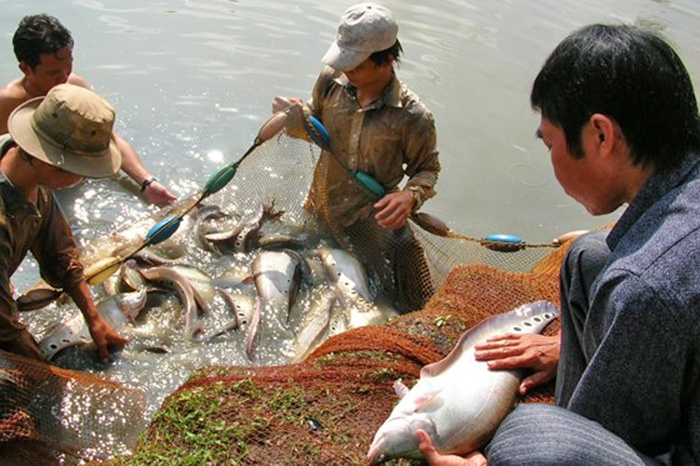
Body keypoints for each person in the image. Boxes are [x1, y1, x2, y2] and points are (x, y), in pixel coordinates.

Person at [416, 23, 700, 465]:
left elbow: (654, 285)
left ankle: (576, 433)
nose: (551, 158)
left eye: (550, 142)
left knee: (531, 440)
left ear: (601, 136)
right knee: (587, 256)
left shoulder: (644, 286)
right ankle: (584, 418)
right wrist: (570, 344)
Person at [273, 3, 441, 313]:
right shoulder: (331, 81)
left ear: (388, 59)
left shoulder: (413, 117)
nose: (347, 72)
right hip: (320, 207)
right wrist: (294, 118)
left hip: (370, 225)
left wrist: (409, 195)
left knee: (384, 302)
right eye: (344, 61)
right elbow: (312, 126)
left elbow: (427, 170)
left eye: (357, 66)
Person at [1, 83, 129, 364]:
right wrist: (43, 373)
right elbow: (4, 326)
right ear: (50, 163)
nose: (82, 180)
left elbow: (60, 253)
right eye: (81, 173)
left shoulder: (31, 175)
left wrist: (93, 318)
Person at [0, 13, 176, 207]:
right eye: (53, 73)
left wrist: (147, 182)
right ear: (25, 68)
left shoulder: (75, 88)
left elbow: (109, 140)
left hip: (79, 183)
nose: (64, 78)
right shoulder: (7, 104)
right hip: (38, 194)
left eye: (68, 67)